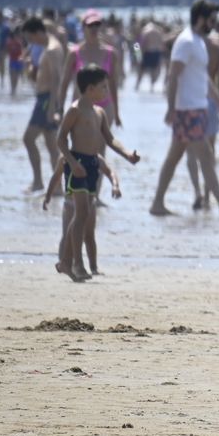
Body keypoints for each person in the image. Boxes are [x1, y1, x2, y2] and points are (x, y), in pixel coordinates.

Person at [53, 65, 138, 282]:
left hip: (92, 165)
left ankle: (66, 261)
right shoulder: (74, 111)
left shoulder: (99, 113)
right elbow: (60, 139)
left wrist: (127, 154)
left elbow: (110, 139)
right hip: (78, 163)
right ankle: (76, 263)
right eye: (103, 87)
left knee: (85, 214)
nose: (107, 91)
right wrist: (72, 162)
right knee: (81, 214)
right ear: (90, 89)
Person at [149, 0, 219, 216]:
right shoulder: (186, 42)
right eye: (211, 20)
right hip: (187, 110)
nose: (214, 24)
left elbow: (203, 78)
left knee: (176, 157)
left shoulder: (198, 41)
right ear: (201, 18)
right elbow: (173, 76)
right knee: (205, 156)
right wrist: (171, 108)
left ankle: (157, 203)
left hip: (197, 108)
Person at [20, 17, 67, 192]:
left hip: (47, 100)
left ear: (39, 32)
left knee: (28, 139)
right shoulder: (49, 47)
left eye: (31, 38)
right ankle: (57, 187)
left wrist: (53, 107)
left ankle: (38, 181)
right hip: (45, 98)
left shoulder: (52, 49)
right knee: (51, 146)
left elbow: (57, 79)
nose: (31, 42)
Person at [59, 11, 122, 128]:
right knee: (80, 140)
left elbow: (113, 84)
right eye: (90, 25)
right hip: (80, 105)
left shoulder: (111, 53)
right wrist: (60, 108)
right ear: (83, 27)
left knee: (102, 140)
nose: (94, 29)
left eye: (97, 25)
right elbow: (65, 82)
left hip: (105, 106)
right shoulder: (74, 53)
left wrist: (117, 113)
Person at [135, 17, 166, 89]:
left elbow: (138, 44)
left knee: (141, 70)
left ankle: (137, 85)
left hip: (148, 52)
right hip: (157, 52)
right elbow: (162, 44)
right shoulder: (158, 30)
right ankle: (152, 87)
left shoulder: (145, 30)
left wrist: (138, 56)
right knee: (154, 70)